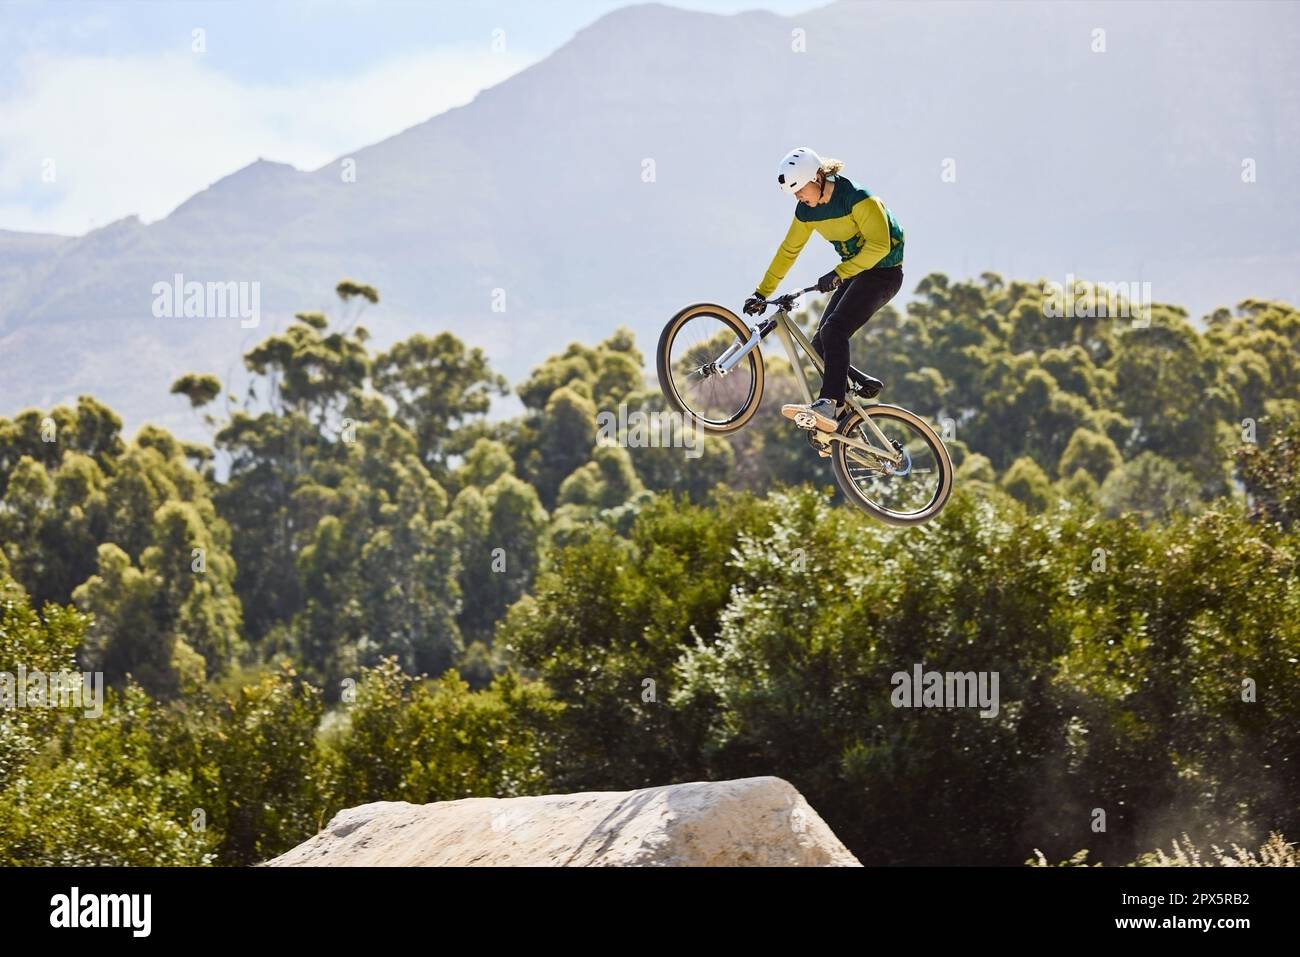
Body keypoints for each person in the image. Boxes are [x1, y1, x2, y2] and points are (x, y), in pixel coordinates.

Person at [744, 146, 905, 434]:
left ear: (818, 178)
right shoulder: (807, 211)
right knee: (819, 345)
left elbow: (880, 247)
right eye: (794, 194)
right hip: (856, 273)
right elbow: (789, 250)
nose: (798, 198)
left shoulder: (857, 198)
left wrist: (839, 273)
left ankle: (829, 403)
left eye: (801, 190)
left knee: (834, 331)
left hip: (884, 273)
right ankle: (848, 411)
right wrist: (761, 293)